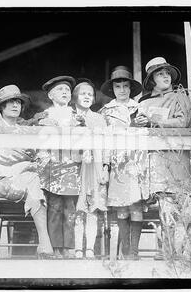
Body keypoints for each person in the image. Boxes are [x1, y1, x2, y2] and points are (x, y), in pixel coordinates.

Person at [0, 84, 55, 259]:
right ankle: (45, 243)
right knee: (33, 180)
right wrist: (17, 168)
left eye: (18, 102)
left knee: (46, 183)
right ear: (1, 106)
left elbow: (35, 155)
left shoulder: (25, 129)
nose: (15, 106)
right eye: (10, 102)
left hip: (26, 181)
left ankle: (51, 246)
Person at [137, 57, 191, 255]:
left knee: (181, 210)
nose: (166, 76)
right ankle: (166, 252)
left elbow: (183, 121)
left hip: (178, 159)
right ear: (152, 79)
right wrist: (141, 123)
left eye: (167, 73)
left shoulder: (180, 96)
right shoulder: (143, 102)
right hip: (157, 160)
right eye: (160, 73)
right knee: (165, 208)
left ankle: (177, 253)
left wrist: (156, 120)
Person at [99, 66, 149, 260]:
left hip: (137, 162)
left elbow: (148, 135)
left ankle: (134, 252)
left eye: (125, 85)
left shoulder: (140, 109)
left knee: (136, 206)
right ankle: (125, 249)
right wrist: (105, 165)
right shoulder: (105, 111)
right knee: (121, 207)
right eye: (118, 86)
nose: (121, 89)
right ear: (113, 89)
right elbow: (103, 141)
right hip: (117, 163)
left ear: (130, 88)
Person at [35, 76, 82, 259]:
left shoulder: (77, 117)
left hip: (71, 167)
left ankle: (68, 247)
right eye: (60, 89)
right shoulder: (44, 117)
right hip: (52, 167)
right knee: (54, 207)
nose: (65, 92)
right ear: (51, 95)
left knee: (70, 207)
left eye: (67, 90)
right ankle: (55, 247)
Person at [71, 79, 109, 259]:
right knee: (78, 209)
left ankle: (90, 249)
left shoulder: (99, 118)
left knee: (93, 208)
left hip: (94, 165)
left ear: (94, 99)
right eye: (82, 93)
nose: (87, 96)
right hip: (73, 166)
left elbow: (107, 144)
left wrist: (106, 167)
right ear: (75, 97)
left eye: (90, 94)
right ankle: (77, 248)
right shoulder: (68, 117)